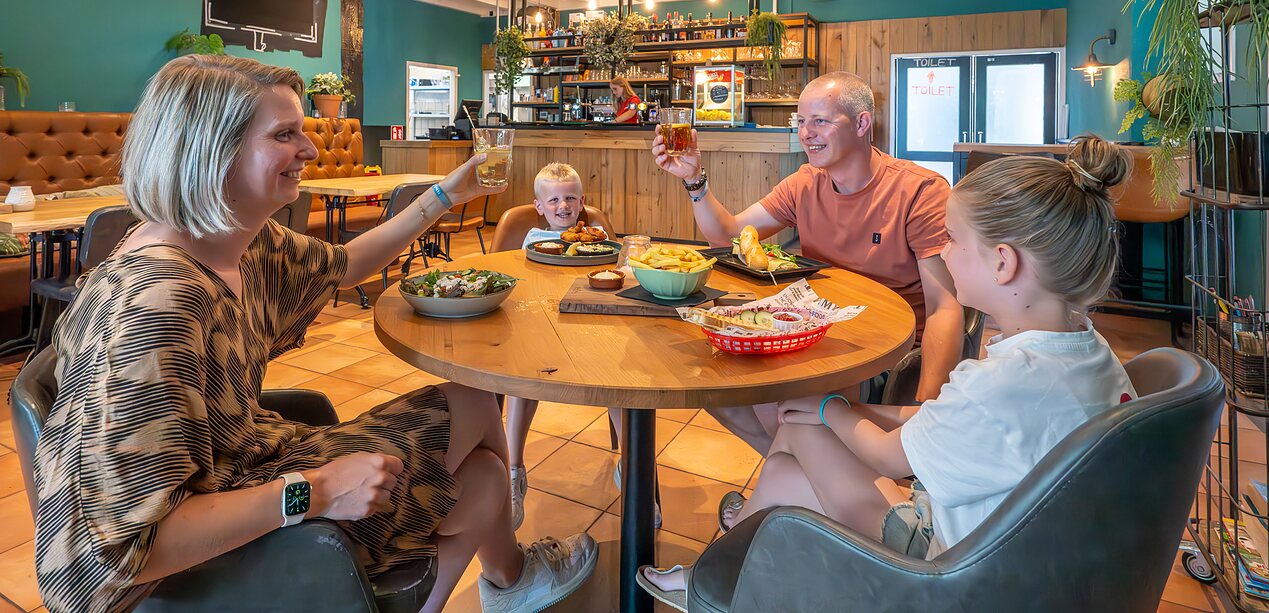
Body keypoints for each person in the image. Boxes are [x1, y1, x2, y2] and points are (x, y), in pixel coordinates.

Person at [33, 56, 596, 613]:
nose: (309, 149)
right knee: (474, 415)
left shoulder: (237, 238)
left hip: (247, 467)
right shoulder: (156, 303)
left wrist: (445, 195)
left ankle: (510, 580)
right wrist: (317, 490)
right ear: (213, 152)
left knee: (485, 475)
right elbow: (123, 550)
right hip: (197, 555)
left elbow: (345, 266)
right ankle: (513, 578)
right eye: (284, 135)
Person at [638, 136, 1138, 605]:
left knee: (799, 430)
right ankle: (722, 576)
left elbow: (890, 457)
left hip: (945, 568)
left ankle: (713, 579)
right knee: (786, 466)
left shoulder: (1002, 381)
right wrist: (840, 409)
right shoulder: (1089, 352)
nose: (943, 253)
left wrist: (831, 409)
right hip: (1021, 555)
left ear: (1003, 263)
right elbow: (947, 422)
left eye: (954, 241)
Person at [651, 71, 964, 454]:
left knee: (778, 401)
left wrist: (929, 412)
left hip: (881, 352)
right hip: (813, 332)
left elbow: (945, 307)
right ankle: (805, 476)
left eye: (820, 121)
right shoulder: (805, 182)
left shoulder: (919, 191)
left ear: (862, 123)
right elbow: (729, 235)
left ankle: (802, 476)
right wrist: (694, 180)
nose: (806, 133)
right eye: (801, 121)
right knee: (713, 382)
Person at [505, 163, 660, 530]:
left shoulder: (598, 236)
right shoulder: (532, 238)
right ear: (539, 206)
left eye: (571, 198)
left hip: (593, 326)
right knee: (521, 376)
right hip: (543, 327)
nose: (563, 206)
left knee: (617, 377)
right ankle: (513, 470)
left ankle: (633, 470)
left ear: (582, 201)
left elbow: (618, 275)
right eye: (553, 200)